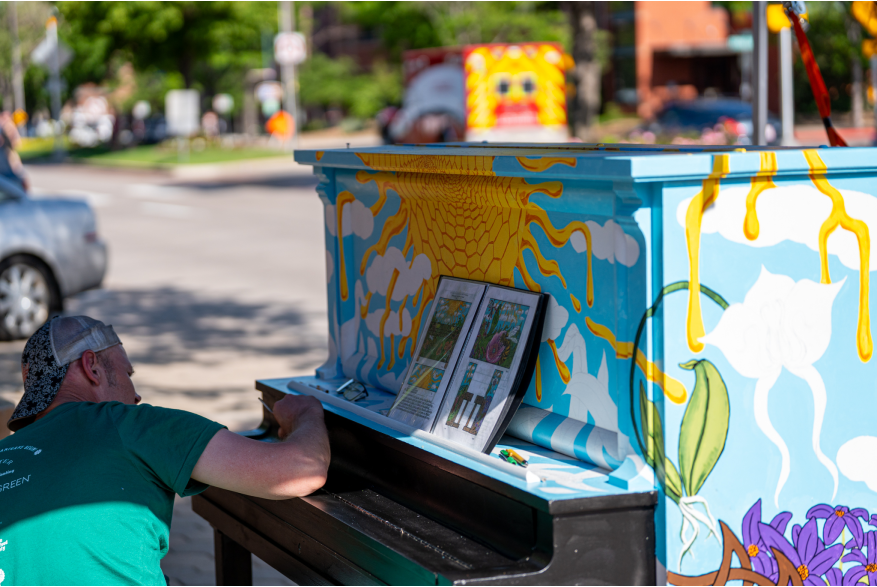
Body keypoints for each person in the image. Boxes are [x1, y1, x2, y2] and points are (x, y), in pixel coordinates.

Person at [0, 316, 330, 585]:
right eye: (128, 373)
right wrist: (305, 414)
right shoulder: (125, 423)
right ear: (92, 367)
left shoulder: (6, 454)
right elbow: (302, 470)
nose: (137, 395)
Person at [0, 112, 27, 191]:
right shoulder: (6, 126)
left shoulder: (8, 126)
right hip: (6, 156)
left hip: (9, 155)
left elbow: (17, 142)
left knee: (17, 174)